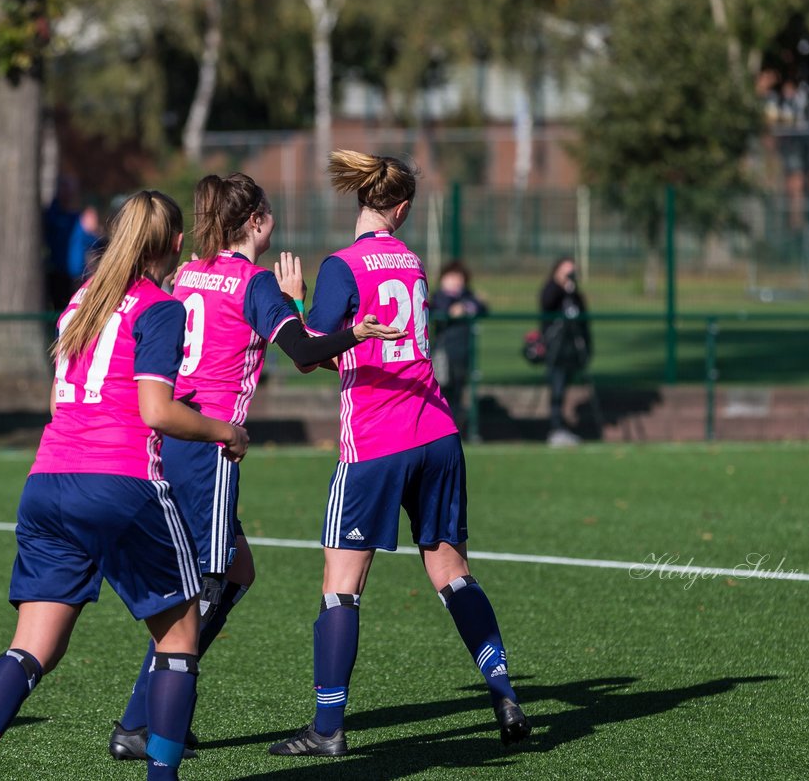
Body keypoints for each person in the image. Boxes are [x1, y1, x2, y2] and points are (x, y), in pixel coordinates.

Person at [0, 189, 250, 781]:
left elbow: (70, 395)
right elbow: (156, 412)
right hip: (120, 483)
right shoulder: (159, 307)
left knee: (31, 647)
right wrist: (222, 430)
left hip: (48, 482)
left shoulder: (82, 300)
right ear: (177, 246)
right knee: (180, 637)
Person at [107, 173, 405, 762]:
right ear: (255, 222)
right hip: (211, 448)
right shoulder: (252, 283)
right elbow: (303, 352)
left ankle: (153, 709)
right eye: (268, 211)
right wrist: (352, 330)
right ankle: (142, 720)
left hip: (168, 437)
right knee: (207, 582)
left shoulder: (189, 269)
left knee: (237, 571)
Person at [268, 151, 531, 758]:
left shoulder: (343, 265)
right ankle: (503, 692)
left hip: (377, 441)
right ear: (403, 209)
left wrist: (293, 304)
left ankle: (328, 727)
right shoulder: (411, 262)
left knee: (342, 588)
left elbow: (313, 352)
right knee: (452, 573)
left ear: (361, 198)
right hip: (436, 431)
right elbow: (373, 346)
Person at [428, 260, 487, 430]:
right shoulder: (440, 296)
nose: (455, 281)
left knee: (458, 391)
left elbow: (481, 305)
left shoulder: (466, 296)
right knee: (442, 390)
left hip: (463, 352)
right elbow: (442, 308)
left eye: (458, 277)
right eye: (451, 277)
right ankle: (440, 428)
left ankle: (453, 427)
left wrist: (466, 306)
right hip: (444, 353)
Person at [540, 257, 592, 445]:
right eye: (566, 270)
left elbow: (583, 318)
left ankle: (560, 427)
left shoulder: (574, 293)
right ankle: (556, 429)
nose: (570, 275)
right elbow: (547, 302)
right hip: (555, 349)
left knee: (564, 388)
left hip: (571, 349)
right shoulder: (552, 289)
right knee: (557, 388)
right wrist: (560, 285)